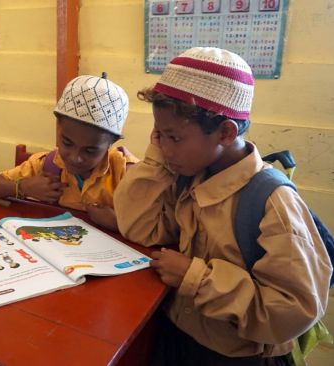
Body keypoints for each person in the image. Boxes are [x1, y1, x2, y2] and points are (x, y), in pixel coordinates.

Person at [113, 47, 332, 365]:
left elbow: (293, 311)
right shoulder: (190, 175)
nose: (163, 147)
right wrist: (160, 152)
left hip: (236, 358)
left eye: (173, 138)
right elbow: (139, 228)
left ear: (226, 132)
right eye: (158, 134)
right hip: (177, 336)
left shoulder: (273, 203)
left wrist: (195, 277)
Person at [0, 73, 137, 230]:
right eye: (67, 143)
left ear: (112, 142)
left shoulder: (127, 174)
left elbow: (156, 231)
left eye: (90, 151)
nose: (75, 158)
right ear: (59, 127)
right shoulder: (46, 164)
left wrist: (118, 224)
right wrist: (24, 187)